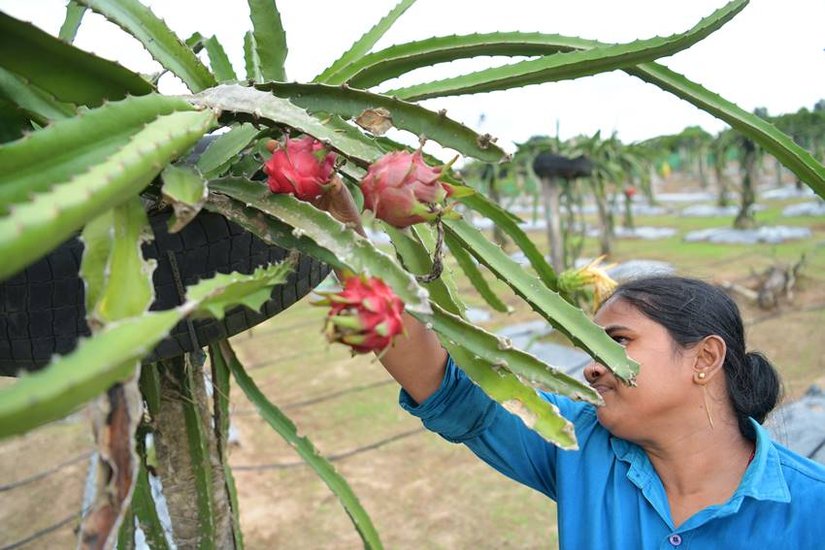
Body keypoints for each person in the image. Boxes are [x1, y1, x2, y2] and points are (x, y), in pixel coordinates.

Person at [318, 178, 825, 549]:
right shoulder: (575, 441)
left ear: (705, 358)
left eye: (617, 340)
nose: (591, 367)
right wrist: (344, 235)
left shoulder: (812, 509)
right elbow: (446, 387)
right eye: (588, 346)